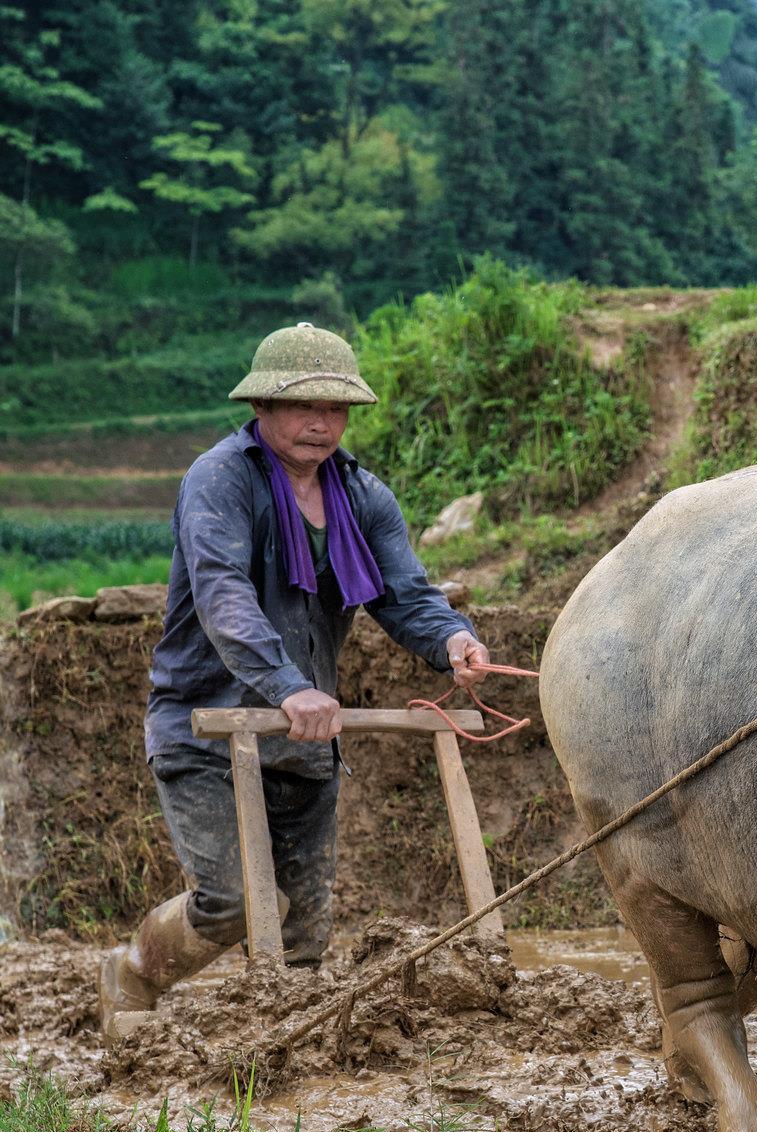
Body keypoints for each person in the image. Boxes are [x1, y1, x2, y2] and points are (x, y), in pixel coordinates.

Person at [99, 322, 490, 1036]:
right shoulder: (221, 480)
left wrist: (452, 639)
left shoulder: (362, 495)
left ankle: (288, 1059)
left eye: (336, 409)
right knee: (237, 904)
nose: (321, 423)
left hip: (304, 736)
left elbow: (403, 594)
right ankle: (132, 971)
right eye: (303, 406)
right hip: (207, 728)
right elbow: (223, 596)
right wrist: (288, 685)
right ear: (262, 409)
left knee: (306, 929)